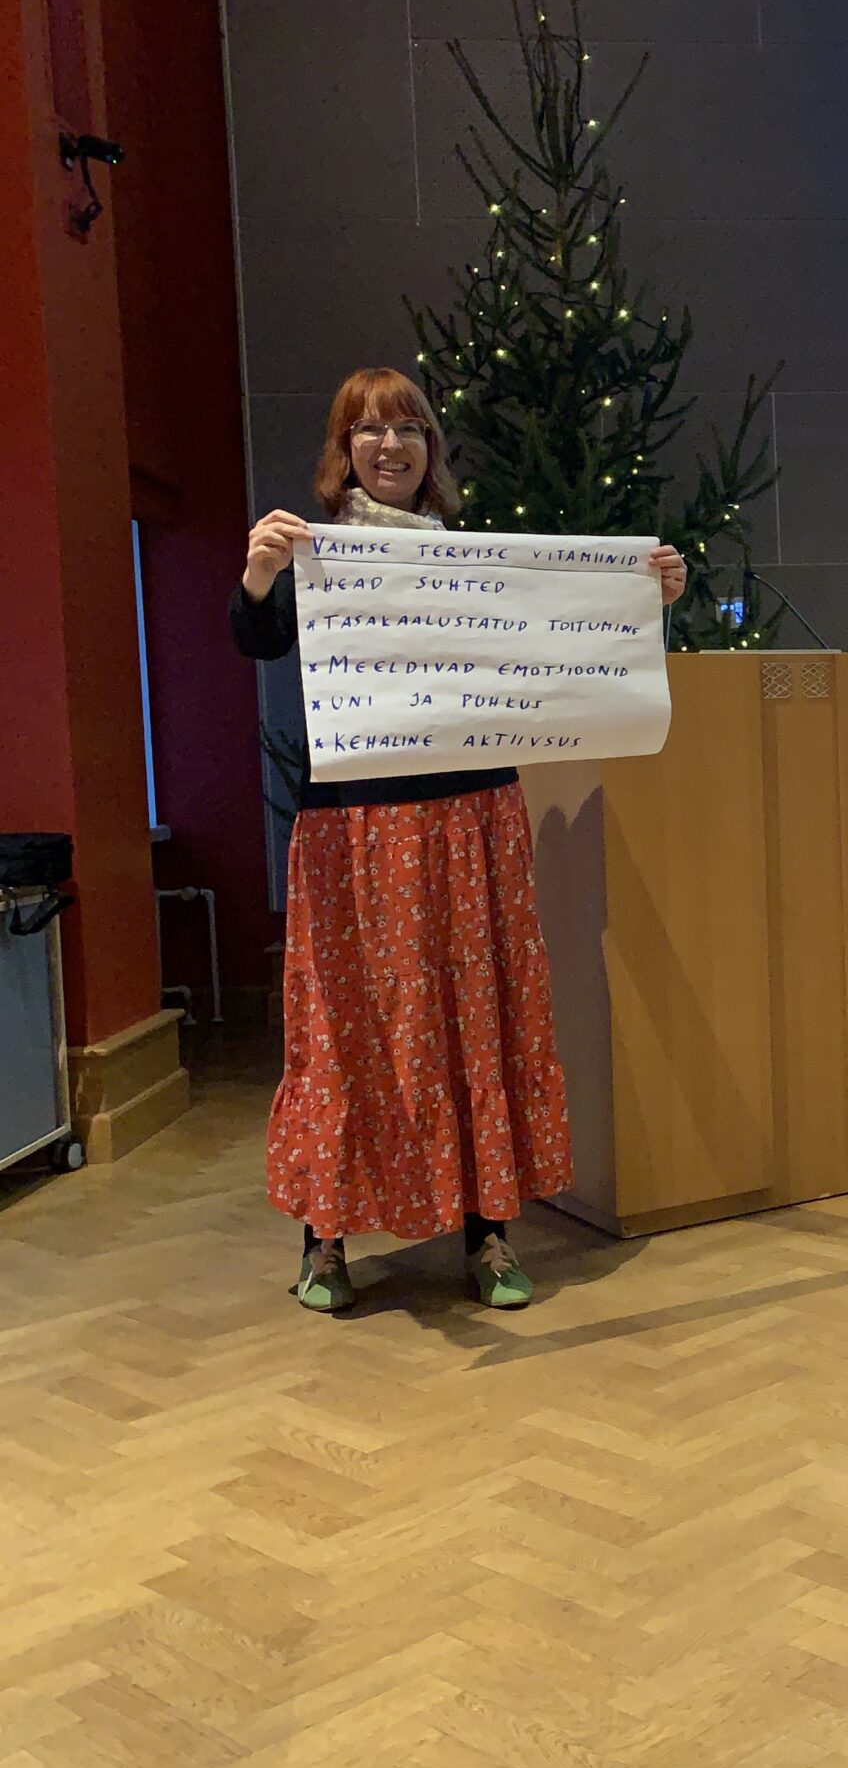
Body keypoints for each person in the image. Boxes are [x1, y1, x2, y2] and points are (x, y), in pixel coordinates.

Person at [231, 366, 687, 1314]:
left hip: (471, 817)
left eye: (408, 429)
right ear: (343, 451)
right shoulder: (318, 553)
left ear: (430, 450)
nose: (389, 446)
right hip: (353, 826)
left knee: (478, 1016)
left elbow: (571, 646)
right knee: (347, 1022)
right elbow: (260, 640)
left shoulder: (480, 560)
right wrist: (261, 574)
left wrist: (649, 599)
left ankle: (486, 1233)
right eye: (368, 430)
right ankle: (325, 1242)